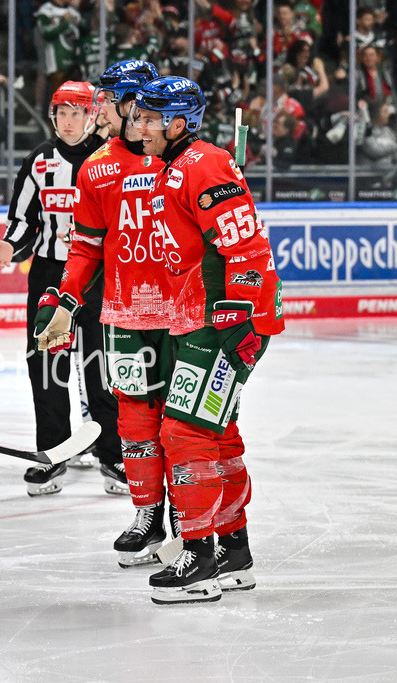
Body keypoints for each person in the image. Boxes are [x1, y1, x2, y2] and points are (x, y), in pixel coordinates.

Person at [130, 76, 282, 603]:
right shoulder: (177, 166)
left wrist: (237, 314)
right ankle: (233, 549)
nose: (139, 125)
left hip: (223, 323)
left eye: (151, 118)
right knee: (217, 433)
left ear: (178, 123)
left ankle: (197, 557)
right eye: (138, 116)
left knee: (184, 432)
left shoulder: (204, 163)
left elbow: (244, 245)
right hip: (201, 318)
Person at [35, 61, 177, 568]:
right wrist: (64, 307)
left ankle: (191, 525)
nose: (98, 111)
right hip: (123, 315)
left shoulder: (179, 158)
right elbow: (86, 247)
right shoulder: (96, 166)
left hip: (182, 316)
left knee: (182, 424)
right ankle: (147, 515)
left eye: (107, 100)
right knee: (136, 422)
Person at [0, 80, 123, 498]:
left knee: (100, 368)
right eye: (61, 113)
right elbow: (23, 222)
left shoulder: (108, 160)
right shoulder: (39, 160)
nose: (68, 122)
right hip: (49, 275)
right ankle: (52, 454)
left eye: (76, 113)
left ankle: (113, 456)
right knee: (47, 369)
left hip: (98, 277)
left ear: (92, 115)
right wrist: (10, 246)